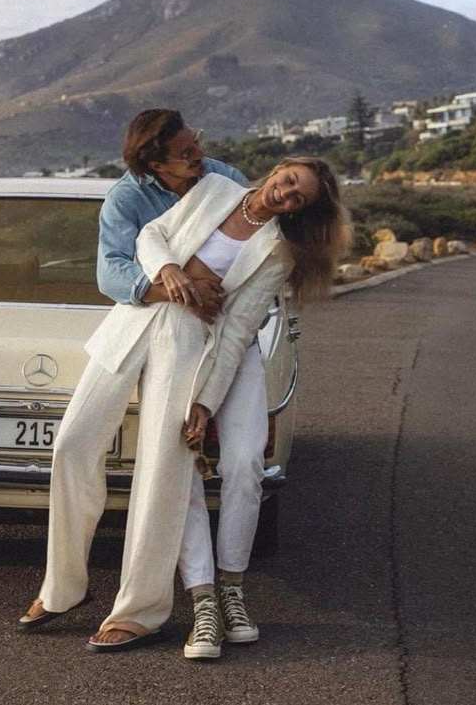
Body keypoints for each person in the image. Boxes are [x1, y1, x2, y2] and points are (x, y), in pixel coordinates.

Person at [18, 156, 349, 658]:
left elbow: (237, 329)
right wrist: (171, 274)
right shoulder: (215, 188)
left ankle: (139, 612)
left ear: (302, 208)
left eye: (298, 197)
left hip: (187, 343)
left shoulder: (278, 251)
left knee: (160, 474)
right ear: (278, 168)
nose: (285, 194)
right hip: (132, 324)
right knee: (72, 444)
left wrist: (207, 400)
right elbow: (151, 235)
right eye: (288, 181)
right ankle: (63, 587)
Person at [95, 108, 271, 644]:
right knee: (181, 467)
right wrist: (175, 282)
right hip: (170, 343)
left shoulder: (222, 181)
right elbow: (127, 257)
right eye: (186, 152)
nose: (199, 157)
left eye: (197, 144)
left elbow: (250, 298)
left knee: (244, 464)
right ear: (154, 161)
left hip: (232, 345)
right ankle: (203, 600)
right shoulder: (128, 198)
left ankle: (233, 588)